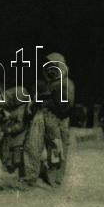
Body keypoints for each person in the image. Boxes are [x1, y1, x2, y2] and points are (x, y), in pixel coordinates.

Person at [26, 52, 75, 187]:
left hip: (60, 120)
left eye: (53, 66)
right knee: (37, 145)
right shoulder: (44, 83)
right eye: (48, 66)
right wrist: (37, 101)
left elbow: (66, 106)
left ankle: (56, 178)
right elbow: (34, 102)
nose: (50, 70)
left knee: (57, 148)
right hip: (44, 118)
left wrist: (48, 100)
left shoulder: (66, 84)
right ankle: (35, 175)